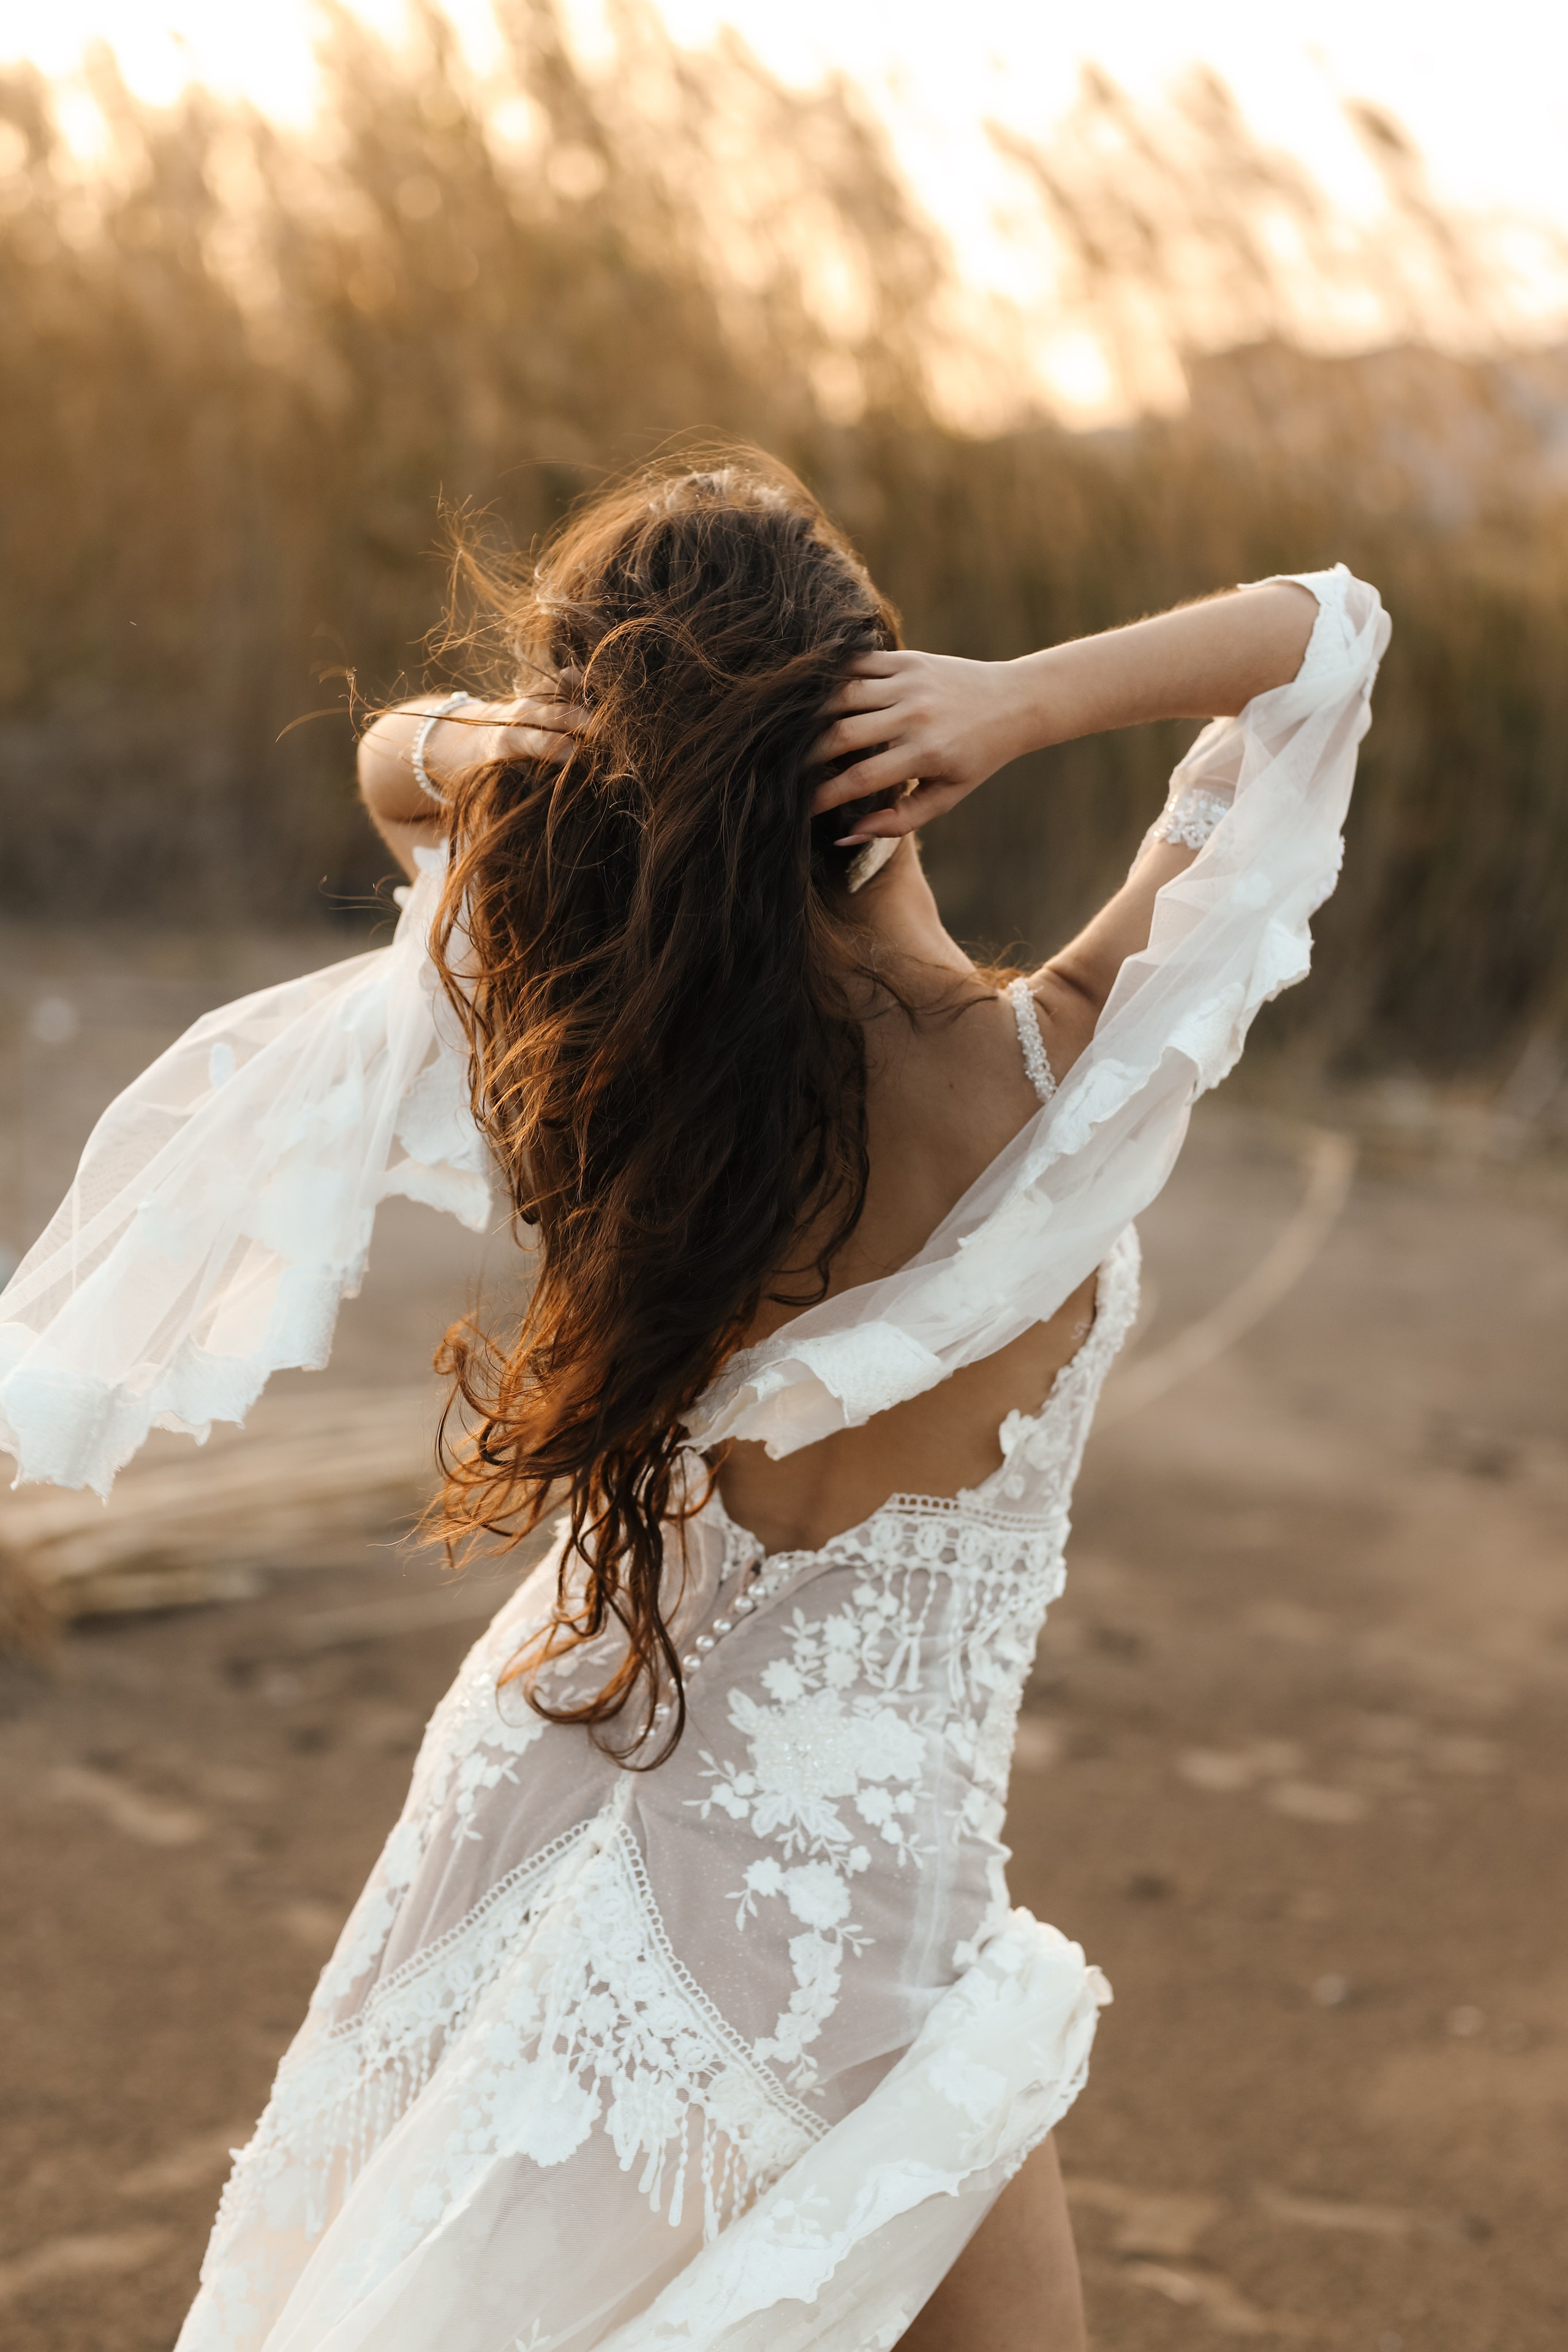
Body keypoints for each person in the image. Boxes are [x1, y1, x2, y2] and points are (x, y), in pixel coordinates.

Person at [0, 454, 1387, 2351]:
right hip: (854, 1908)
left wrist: (592, 750)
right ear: (886, 738)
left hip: (558, 1789)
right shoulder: (1068, 1072)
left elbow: (396, 759)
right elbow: (1324, 636)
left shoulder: (618, 1099)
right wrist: (1022, 699)